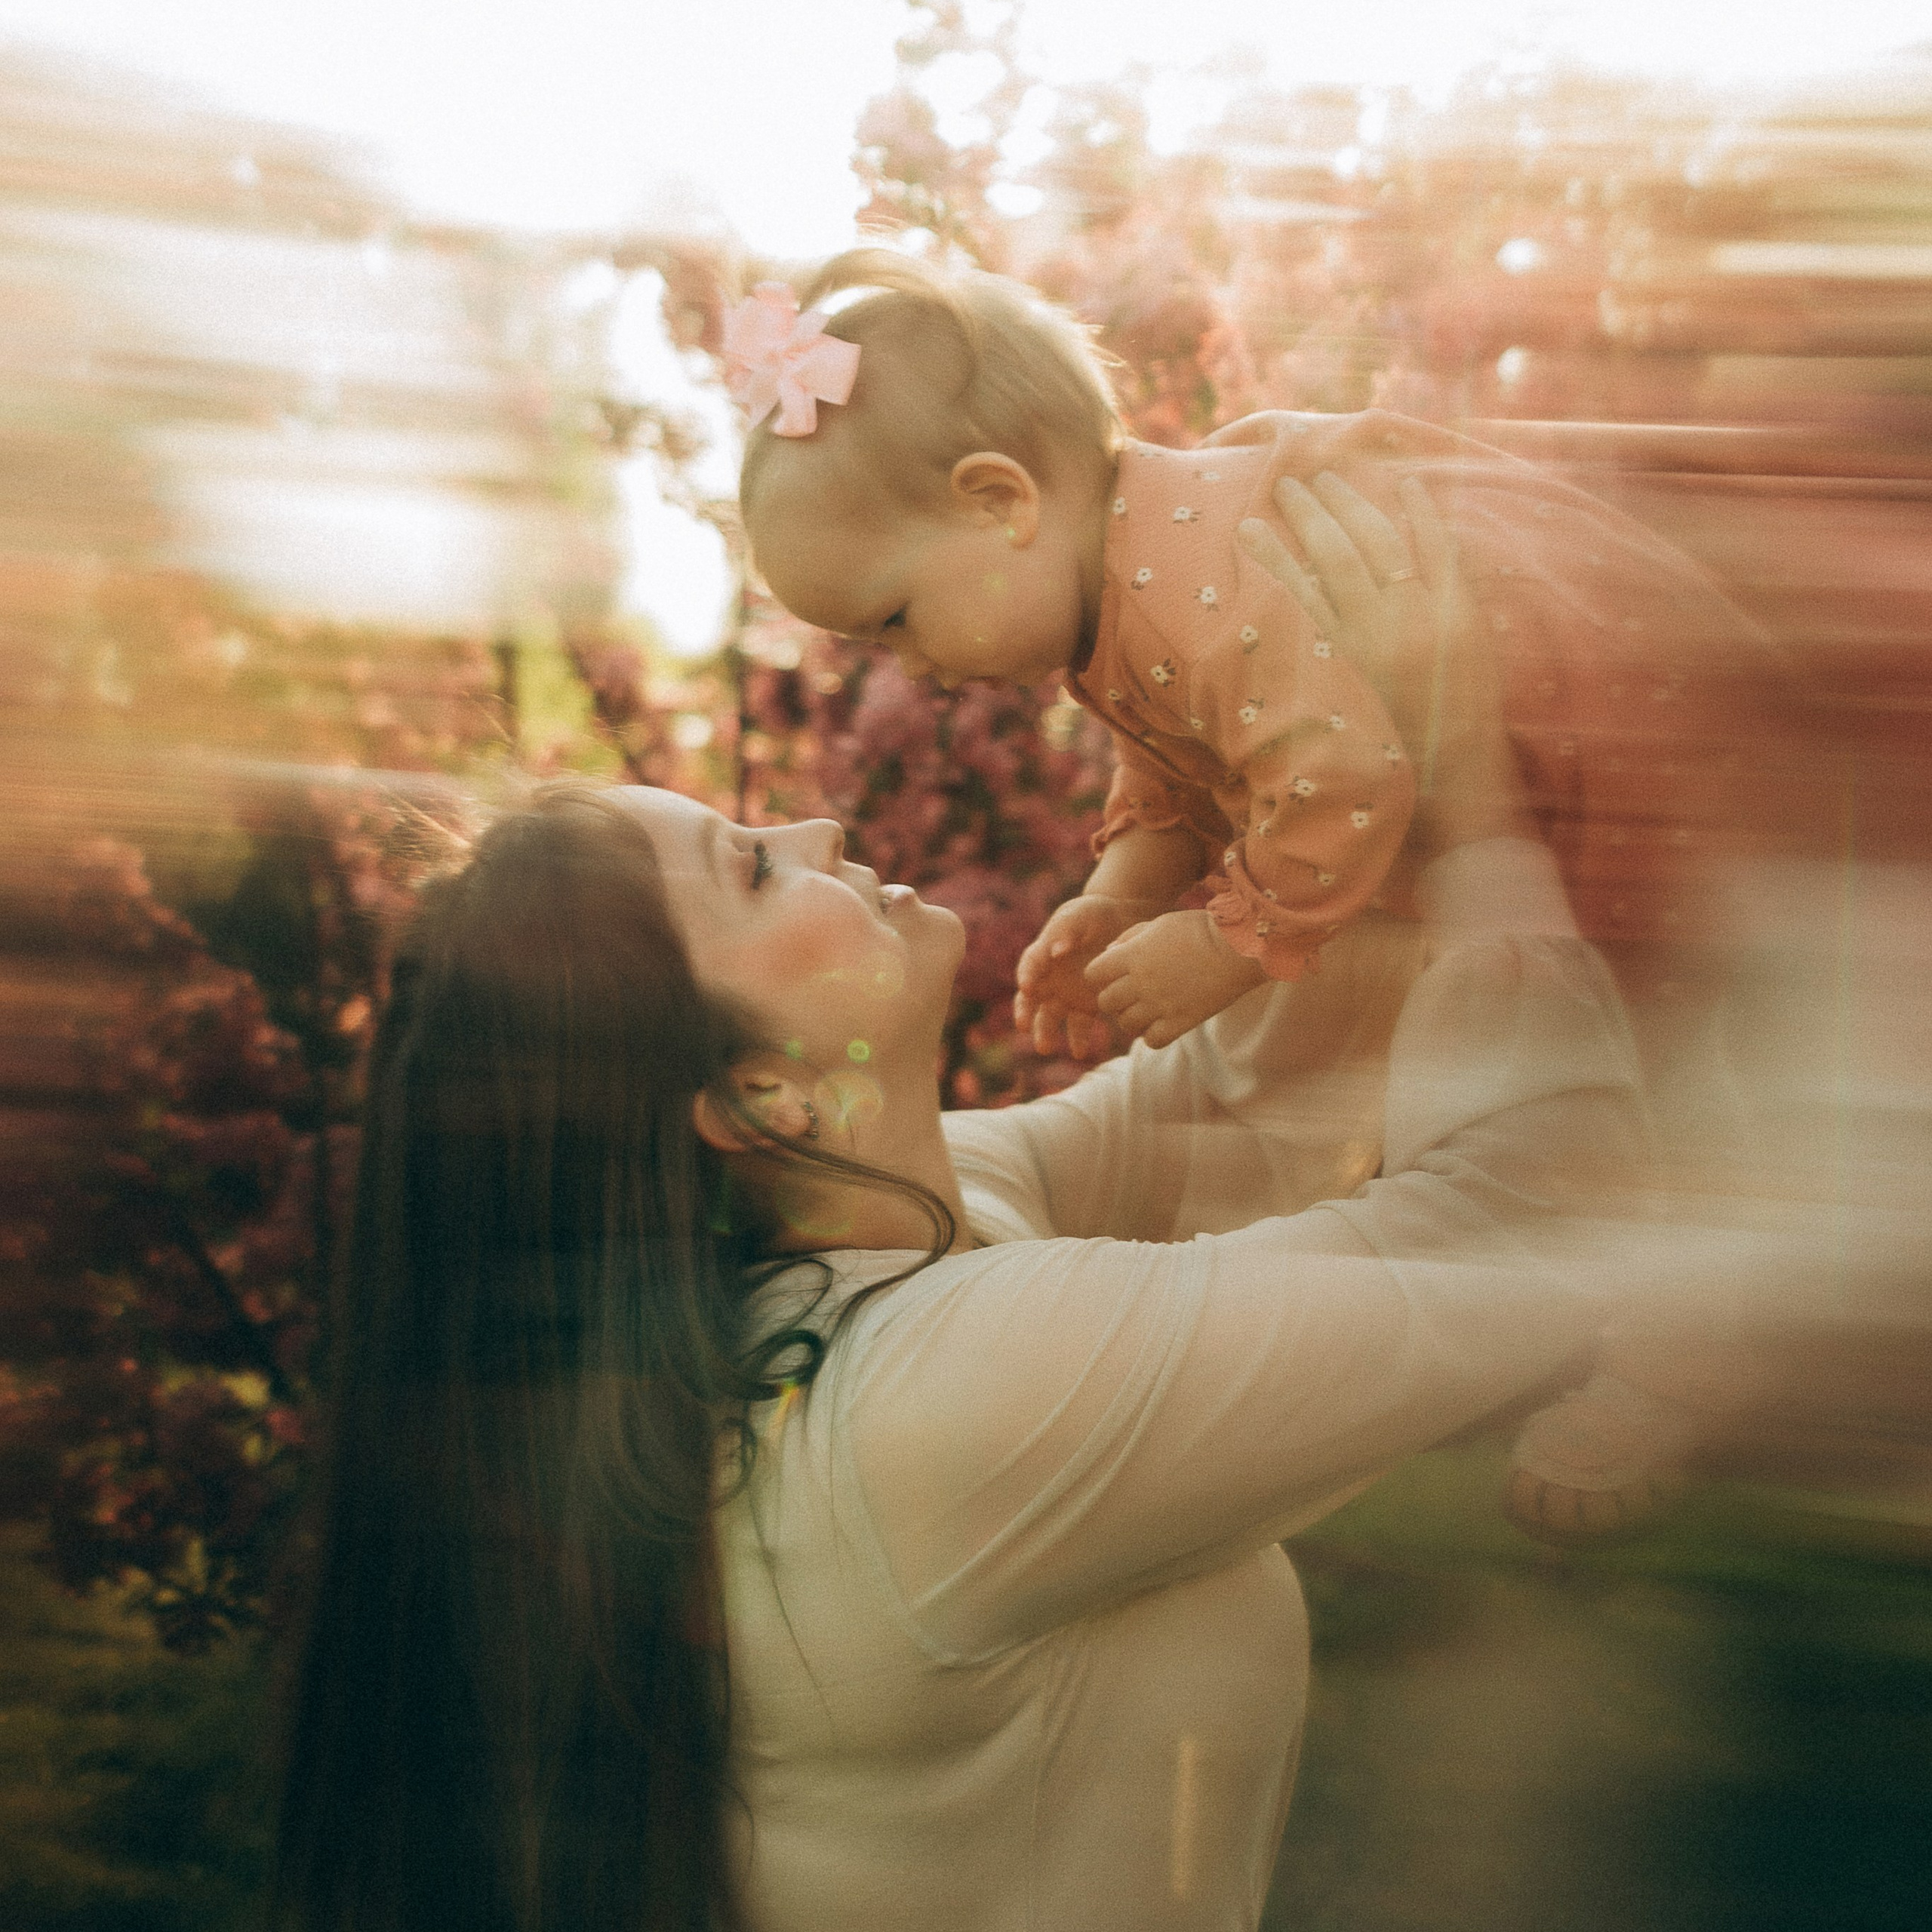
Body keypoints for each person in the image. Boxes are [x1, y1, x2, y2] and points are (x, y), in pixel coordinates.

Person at [271, 498, 1649, 1932]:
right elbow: (1526, 1233)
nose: (815, 823)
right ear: (753, 1095)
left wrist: (1325, 783)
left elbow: (1234, 1106)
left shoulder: (868, 1262)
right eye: (753, 868)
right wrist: (1472, 797)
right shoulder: (928, 1408)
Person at [734, 251, 1777, 1058]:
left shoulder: (1208, 575)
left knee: (1696, 983)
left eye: (896, 618)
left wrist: (1231, 942)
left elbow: (1342, 775)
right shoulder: (1128, 585)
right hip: (1529, 748)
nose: (910, 669)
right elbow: (1183, 763)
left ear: (1000, 502)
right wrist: (1121, 892)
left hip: (1593, 711)